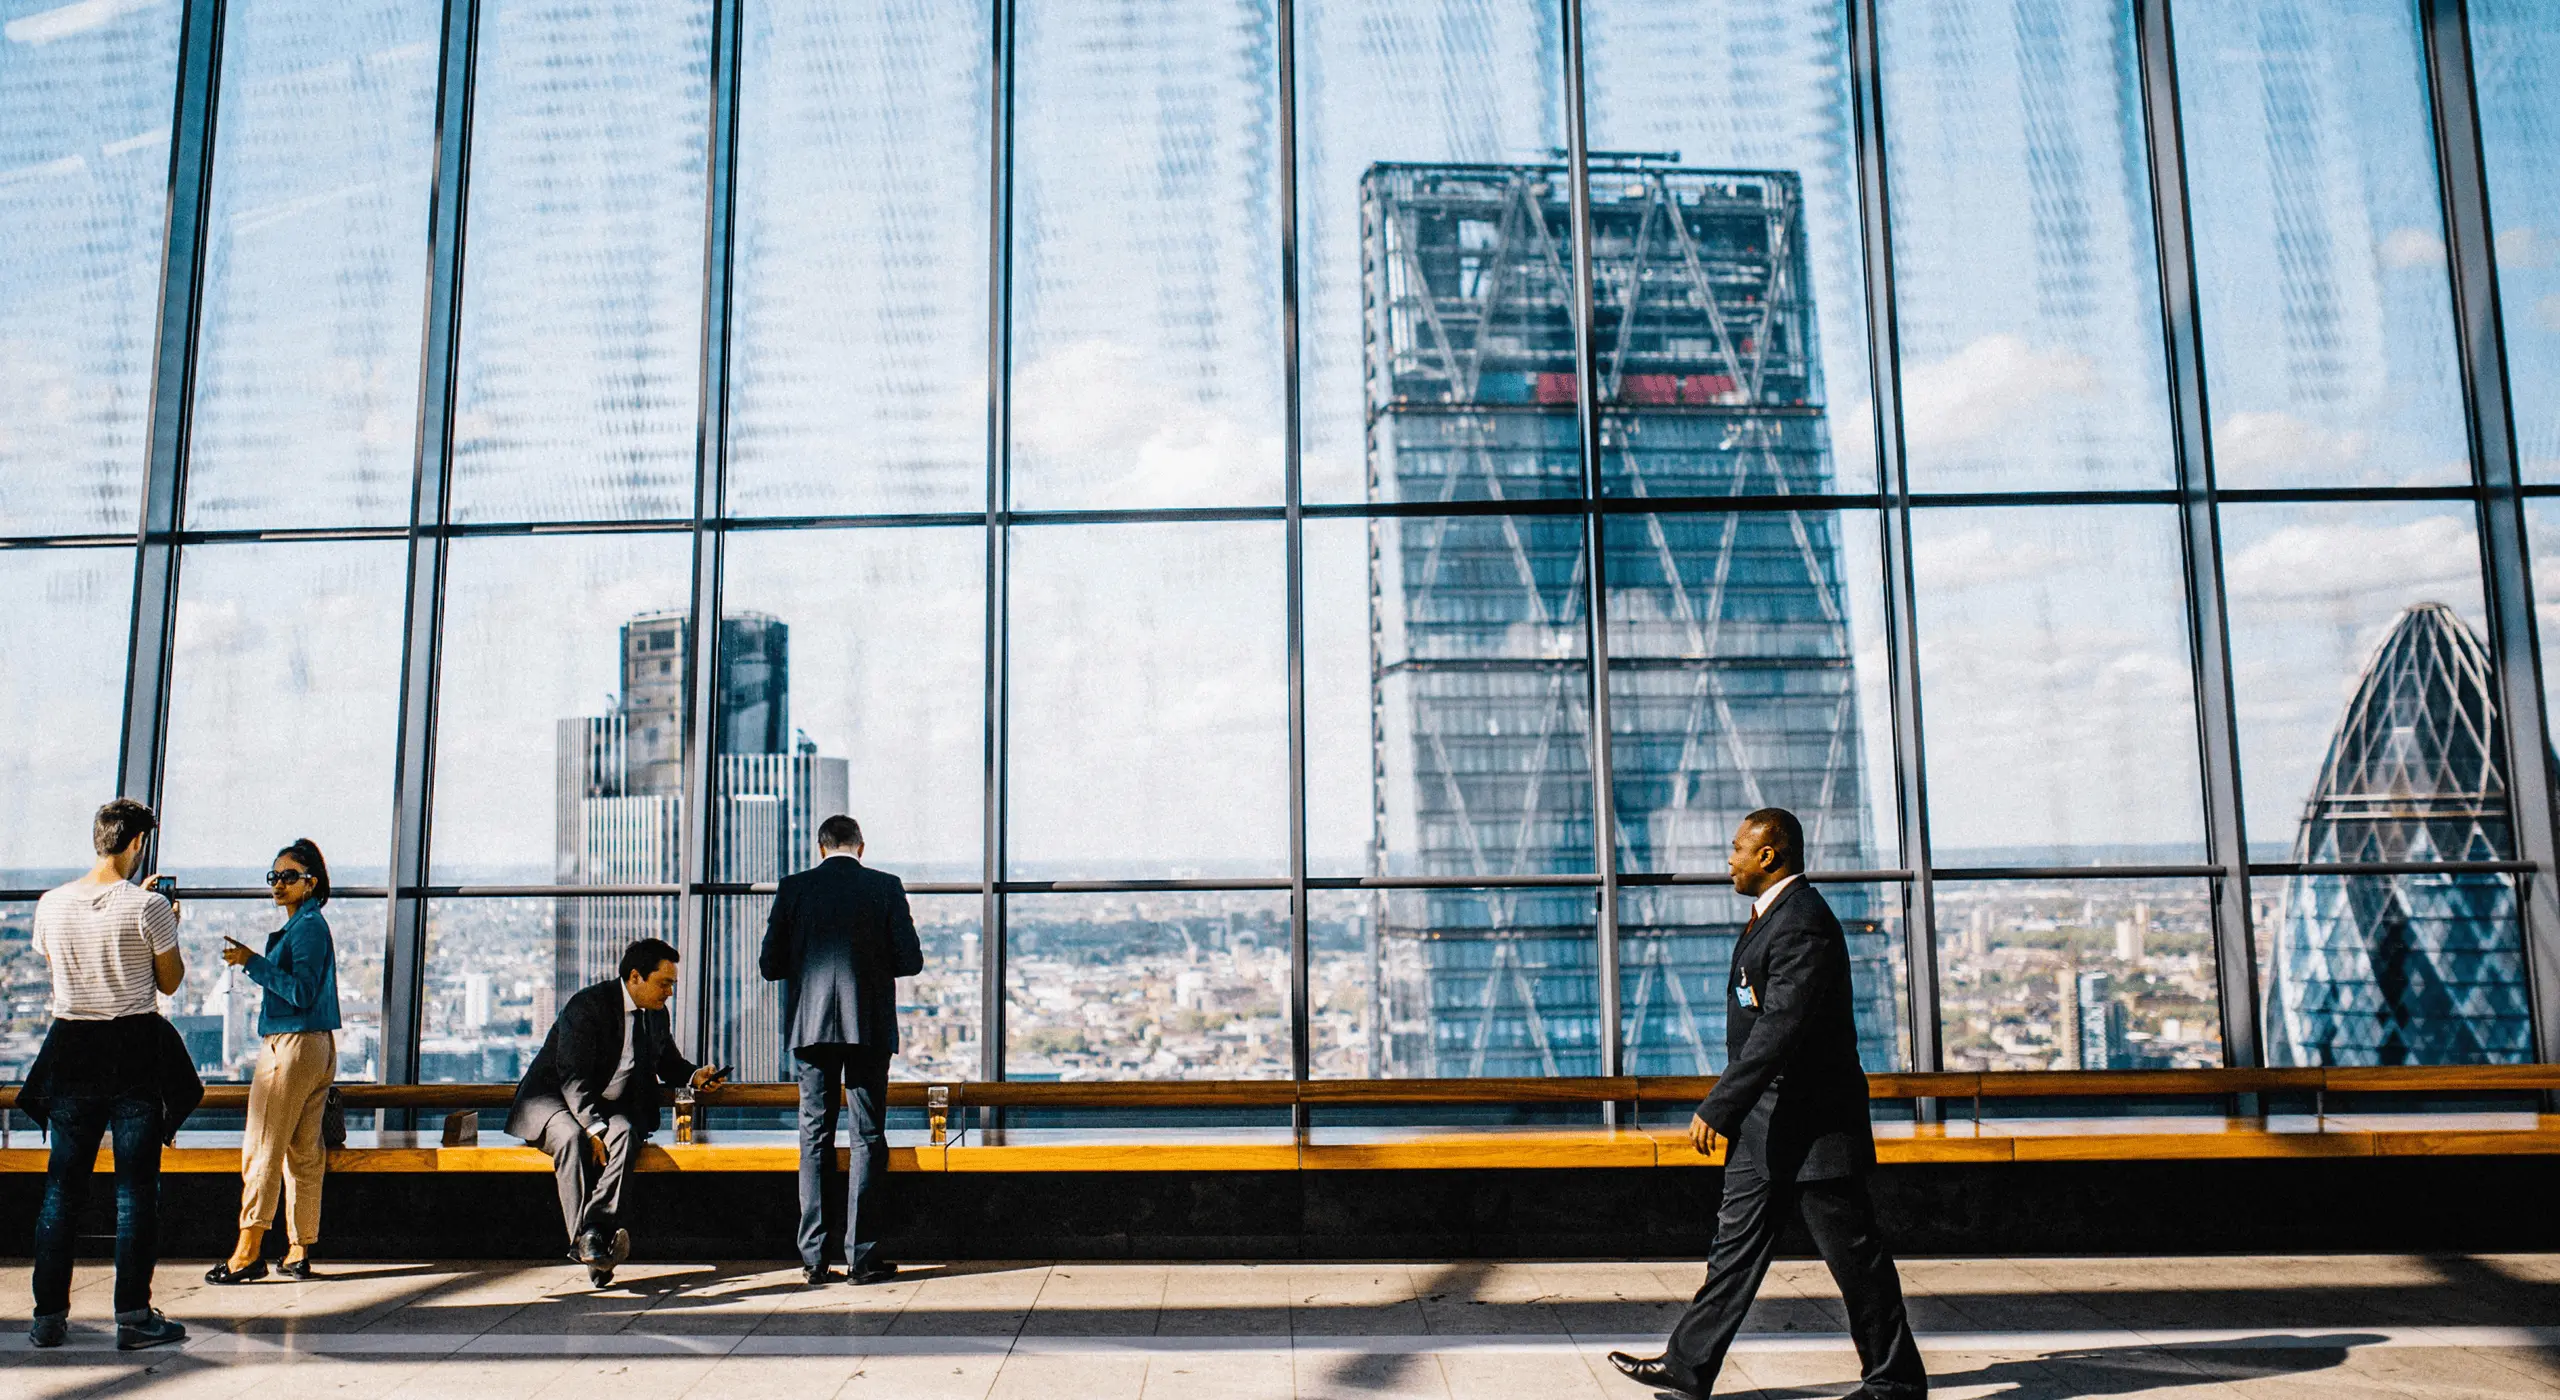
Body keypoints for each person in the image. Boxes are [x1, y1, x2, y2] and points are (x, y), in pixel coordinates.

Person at [1609, 808, 1927, 1400]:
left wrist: (1719, 1104)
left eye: (1736, 849)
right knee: (1733, 1251)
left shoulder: (1803, 923)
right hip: (1766, 1124)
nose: (1727, 860)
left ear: (1769, 856)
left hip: (1812, 1127)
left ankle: (1896, 1382)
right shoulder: (1773, 917)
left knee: (1855, 1259)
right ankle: (1687, 1365)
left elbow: (1781, 1027)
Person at [24, 799, 193, 1351]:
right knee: (135, 1191)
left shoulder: (50, 905)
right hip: (132, 1054)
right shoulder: (147, 908)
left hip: (71, 1050)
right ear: (139, 844)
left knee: (62, 1189)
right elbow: (169, 983)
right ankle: (134, 1315)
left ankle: (48, 1316)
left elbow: (58, 969)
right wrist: (168, 925)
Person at [760, 814, 923, 1286]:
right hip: (867, 1025)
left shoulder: (793, 888)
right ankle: (862, 1258)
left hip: (810, 1028)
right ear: (861, 847)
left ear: (820, 848)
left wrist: (809, 959)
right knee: (867, 1136)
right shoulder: (886, 886)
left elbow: (771, 965)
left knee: (814, 1136)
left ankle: (813, 1260)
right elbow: (910, 960)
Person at [506, 938, 725, 1287]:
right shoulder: (588, 1006)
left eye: (672, 984)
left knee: (625, 1133)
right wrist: (594, 1128)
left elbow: (667, 1061)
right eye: (664, 982)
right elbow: (571, 1077)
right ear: (635, 977)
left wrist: (694, 1075)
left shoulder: (655, 1014)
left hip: (604, 1105)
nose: (669, 992)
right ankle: (594, 1245)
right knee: (573, 1138)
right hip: (552, 1100)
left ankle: (592, 1236)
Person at [206, 838, 342, 1284]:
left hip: (291, 1046)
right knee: (304, 1151)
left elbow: (299, 992)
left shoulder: (306, 929)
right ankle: (299, 1248)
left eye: (289, 877)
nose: (278, 884)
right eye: (274, 877)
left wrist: (252, 963)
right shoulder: (309, 926)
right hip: (316, 1047)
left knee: (263, 1146)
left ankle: (247, 1251)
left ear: (311, 882)